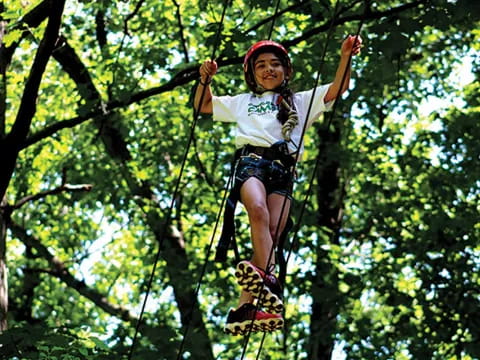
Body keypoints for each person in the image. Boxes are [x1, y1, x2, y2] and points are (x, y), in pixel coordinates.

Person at [194, 35, 362, 336]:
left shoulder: (300, 102)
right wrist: (204, 80)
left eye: (275, 64)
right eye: (261, 65)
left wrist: (345, 57)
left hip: (283, 171)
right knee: (257, 212)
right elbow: (203, 105)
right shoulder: (244, 102)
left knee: (272, 233)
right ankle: (270, 280)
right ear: (251, 74)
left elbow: (338, 88)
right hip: (252, 163)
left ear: (286, 70)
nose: (268, 70)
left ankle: (244, 308)